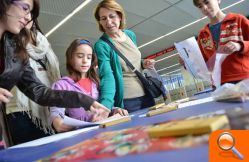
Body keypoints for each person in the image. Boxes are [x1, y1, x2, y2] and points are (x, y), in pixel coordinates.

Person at [0, 0, 109, 147]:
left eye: (31, 13)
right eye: (25, 8)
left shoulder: (16, 51)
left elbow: (40, 92)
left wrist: (84, 100)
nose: (27, 17)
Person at [94, 0, 156, 113]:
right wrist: (105, 107)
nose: (108, 22)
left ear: (120, 16)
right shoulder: (101, 45)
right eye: (103, 18)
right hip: (128, 102)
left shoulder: (130, 35)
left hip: (147, 95)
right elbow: (107, 77)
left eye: (112, 16)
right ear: (100, 22)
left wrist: (143, 63)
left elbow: (131, 61)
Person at [5, 19, 61, 144]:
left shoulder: (44, 44)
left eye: (28, 10)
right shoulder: (8, 43)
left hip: (48, 107)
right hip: (21, 110)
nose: (24, 15)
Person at [49, 39, 102, 132]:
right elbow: (56, 111)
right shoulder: (61, 85)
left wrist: (115, 109)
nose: (85, 61)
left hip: (102, 129)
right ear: (70, 58)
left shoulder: (95, 82)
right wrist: (56, 121)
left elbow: (103, 104)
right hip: (80, 133)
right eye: (80, 56)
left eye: (89, 57)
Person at [192, 0, 249, 84]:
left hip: (243, 78)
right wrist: (187, 61)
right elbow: (203, 64)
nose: (204, 8)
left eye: (207, 2)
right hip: (219, 83)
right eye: (200, 6)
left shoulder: (238, 20)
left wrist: (240, 46)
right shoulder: (202, 35)